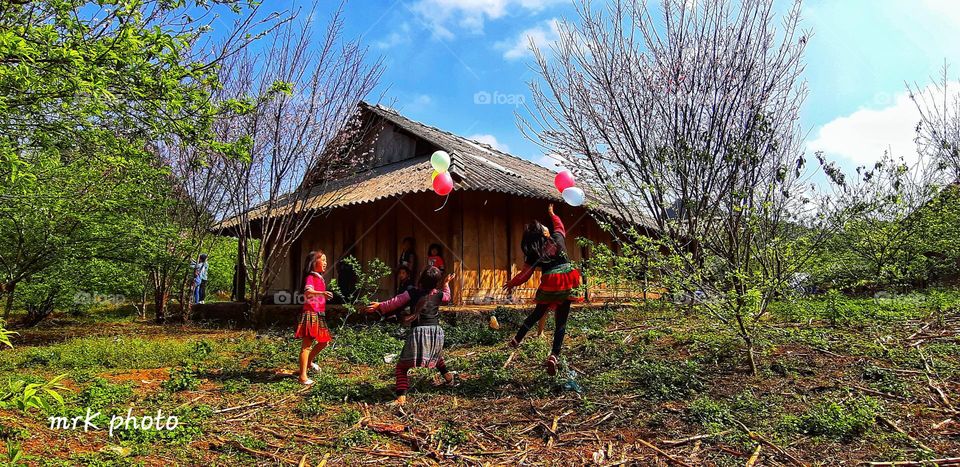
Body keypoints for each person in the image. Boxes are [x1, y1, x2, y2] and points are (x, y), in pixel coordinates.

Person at [502, 204, 583, 376]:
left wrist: (512, 283)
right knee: (561, 322)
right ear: (545, 233)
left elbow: (525, 274)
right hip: (568, 280)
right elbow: (560, 225)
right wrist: (552, 214)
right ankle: (554, 355)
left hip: (550, 281)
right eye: (545, 227)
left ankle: (517, 339)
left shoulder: (534, 252)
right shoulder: (557, 238)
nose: (548, 226)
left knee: (537, 313)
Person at [366, 267, 456, 405]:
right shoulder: (438, 294)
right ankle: (449, 378)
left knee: (402, 367)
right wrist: (446, 284)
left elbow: (395, 302)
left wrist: (380, 306)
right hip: (435, 332)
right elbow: (448, 297)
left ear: (420, 278)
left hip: (418, 333)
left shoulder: (412, 292)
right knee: (436, 356)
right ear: (436, 283)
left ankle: (401, 397)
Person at [296, 250, 334, 385]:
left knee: (324, 341)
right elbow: (307, 292)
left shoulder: (318, 277)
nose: (325, 263)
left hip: (319, 314)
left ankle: (309, 362)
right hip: (311, 313)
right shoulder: (311, 277)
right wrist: (322, 293)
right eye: (322, 260)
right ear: (314, 263)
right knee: (306, 346)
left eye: (325, 260)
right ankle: (302, 376)